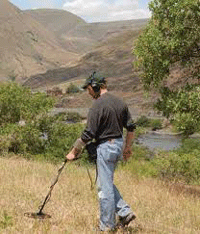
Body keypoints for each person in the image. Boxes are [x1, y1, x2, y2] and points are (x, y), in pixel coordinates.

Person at [66, 72, 136, 231]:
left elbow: (87, 134)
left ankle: (106, 226)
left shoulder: (97, 105)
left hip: (106, 147)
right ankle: (125, 212)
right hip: (117, 145)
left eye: (88, 89)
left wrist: (74, 152)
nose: (88, 92)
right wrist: (127, 148)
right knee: (105, 182)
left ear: (95, 87)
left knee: (104, 189)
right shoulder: (120, 102)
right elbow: (131, 128)